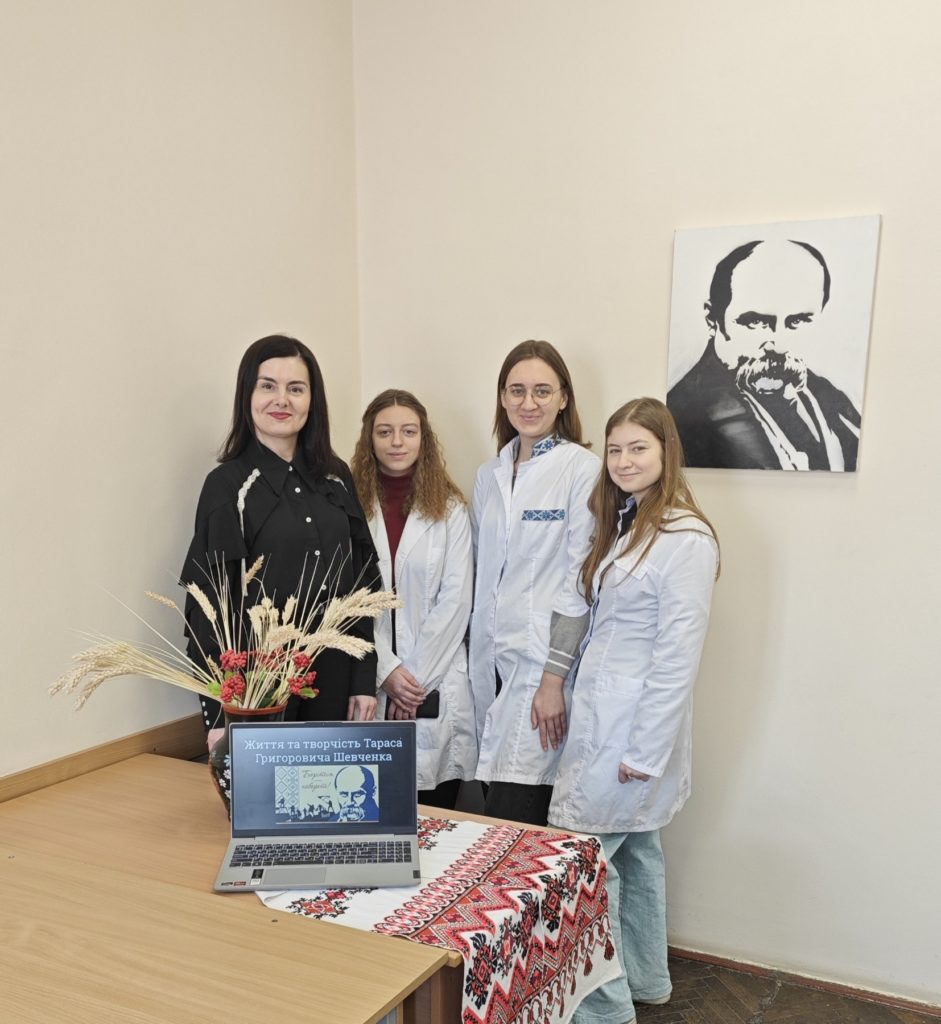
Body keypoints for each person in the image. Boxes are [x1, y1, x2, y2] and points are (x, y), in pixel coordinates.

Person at [549, 397, 719, 1023]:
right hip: (606, 719)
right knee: (639, 857)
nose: (623, 461)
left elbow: (678, 658)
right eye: (614, 449)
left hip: (631, 733)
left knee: (584, 868)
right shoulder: (628, 522)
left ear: (666, 452)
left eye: (638, 448)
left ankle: (603, 1010)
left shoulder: (685, 539)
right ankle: (647, 980)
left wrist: (645, 752)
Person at [181, 334, 380, 742]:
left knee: (328, 784)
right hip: (259, 687)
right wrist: (219, 713)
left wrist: (363, 677)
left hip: (335, 677)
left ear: (312, 400)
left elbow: (361, 586)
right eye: (268, 386)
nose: (282, 400)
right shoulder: (226, 486)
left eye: (296, 389)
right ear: (247, 395)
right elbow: (210, 610)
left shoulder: (336, 477)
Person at [469, 340, 599, 826]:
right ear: (502, 398)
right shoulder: (490, 475)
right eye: (517, 390)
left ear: (563, 398)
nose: (529, 403)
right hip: (489, 666)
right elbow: (482, 572)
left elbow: (580, 582)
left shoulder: (582, 470)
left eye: (542, 391)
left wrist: (553, 680)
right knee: (495, 809)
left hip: (541, 671)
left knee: (516, 817)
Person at [351, 389, 476, 810]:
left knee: (437, 819)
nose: (397, 442)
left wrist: (412, 684)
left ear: (424, 438)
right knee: (372, 808)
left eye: (408, 431)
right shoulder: (348, 506)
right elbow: (346, 600)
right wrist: (386, 670)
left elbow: (456, 601)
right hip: (370, 681)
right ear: (369, 439)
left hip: (433, 684)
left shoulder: (451, 509)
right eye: (384, 432)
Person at [667, 239, 861, 471]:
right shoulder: (682, 415)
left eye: (797, 321)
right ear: (712, 319)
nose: (778, 346)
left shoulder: (828, 397)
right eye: (756, 322)